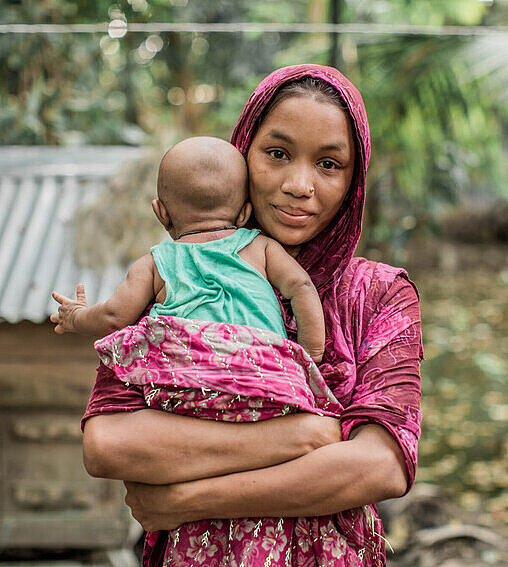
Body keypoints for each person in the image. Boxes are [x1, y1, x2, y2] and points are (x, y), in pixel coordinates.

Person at [80, 64, 423, 567]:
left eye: (330, 164)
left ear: (354, 180)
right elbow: (110, 444)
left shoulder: (380, 295)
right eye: (278, 154)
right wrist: (303, 435)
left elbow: (382, 466)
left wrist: (184, 500)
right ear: (242, 153)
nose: (299, 185)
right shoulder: (175, 278)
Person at [50, 136, 325, 363]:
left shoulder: (155, 263)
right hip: (267, 374)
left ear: (161, 213)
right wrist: (310, 356)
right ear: (244, 214)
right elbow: (301, 286)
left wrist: (76, 317)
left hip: (187, 381)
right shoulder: (260, 247)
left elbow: (114, 317)